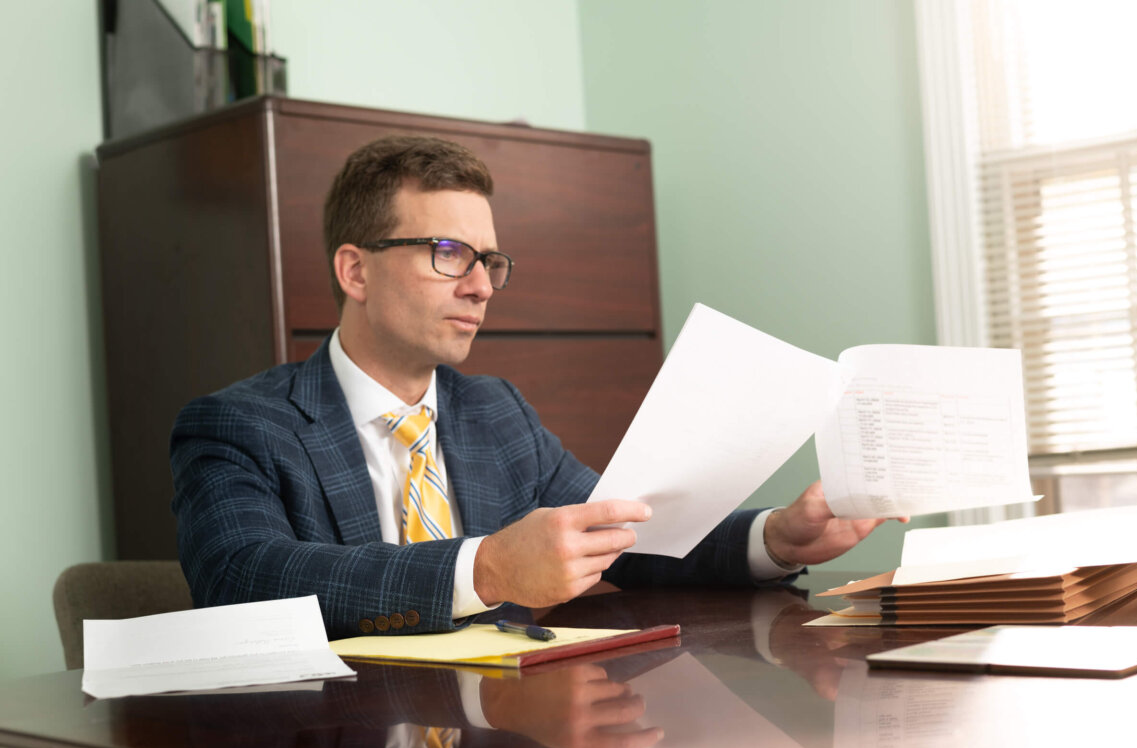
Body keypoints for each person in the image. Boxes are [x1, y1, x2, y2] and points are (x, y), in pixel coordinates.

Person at [170, 135, 892, 640]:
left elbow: (627, 535)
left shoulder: (496, 413)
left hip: (499, 736)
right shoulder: (238, 426)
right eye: (448, 254)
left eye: (489, 259)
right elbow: (243, 577)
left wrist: (775, 537)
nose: (481, 286)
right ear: (355, 271)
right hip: (333, 747)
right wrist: (484, 568)